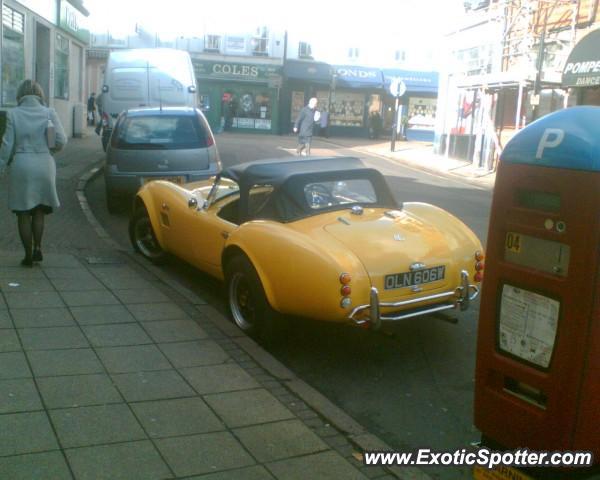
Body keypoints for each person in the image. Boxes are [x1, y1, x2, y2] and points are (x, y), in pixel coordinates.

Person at [0, 79, 67, 267]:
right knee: (39, 210)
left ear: (20, 94)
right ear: (40, 94)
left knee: (23, 212)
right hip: (44, 163)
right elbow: (61, 140)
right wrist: (50, 151)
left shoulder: (13, 114)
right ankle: (38, 247)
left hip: (22, 165)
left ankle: (27, 255)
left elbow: (7, 145)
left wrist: (1, 166)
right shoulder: (49, 112)